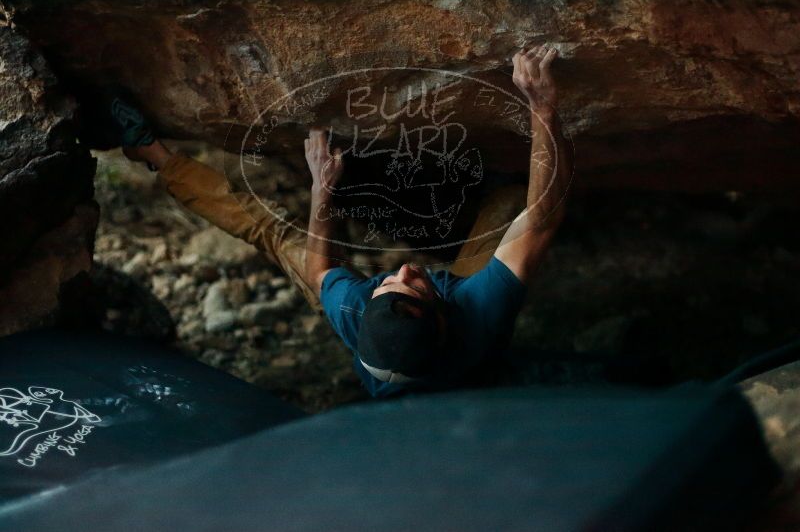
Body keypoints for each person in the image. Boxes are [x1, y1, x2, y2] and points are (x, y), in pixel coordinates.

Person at [119, 44, 572, 398]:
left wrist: (323, 190)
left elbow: (320, 272)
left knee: (271, 232)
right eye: (413, 285)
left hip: (411, 328)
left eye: (388, 282)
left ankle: (154, 155)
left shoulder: (354, 311)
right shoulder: (478, 314)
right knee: (515, 200)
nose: (406, 269)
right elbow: (542, 218)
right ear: (444, 319)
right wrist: (542, 106)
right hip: (459, 350)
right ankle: (461, 223)